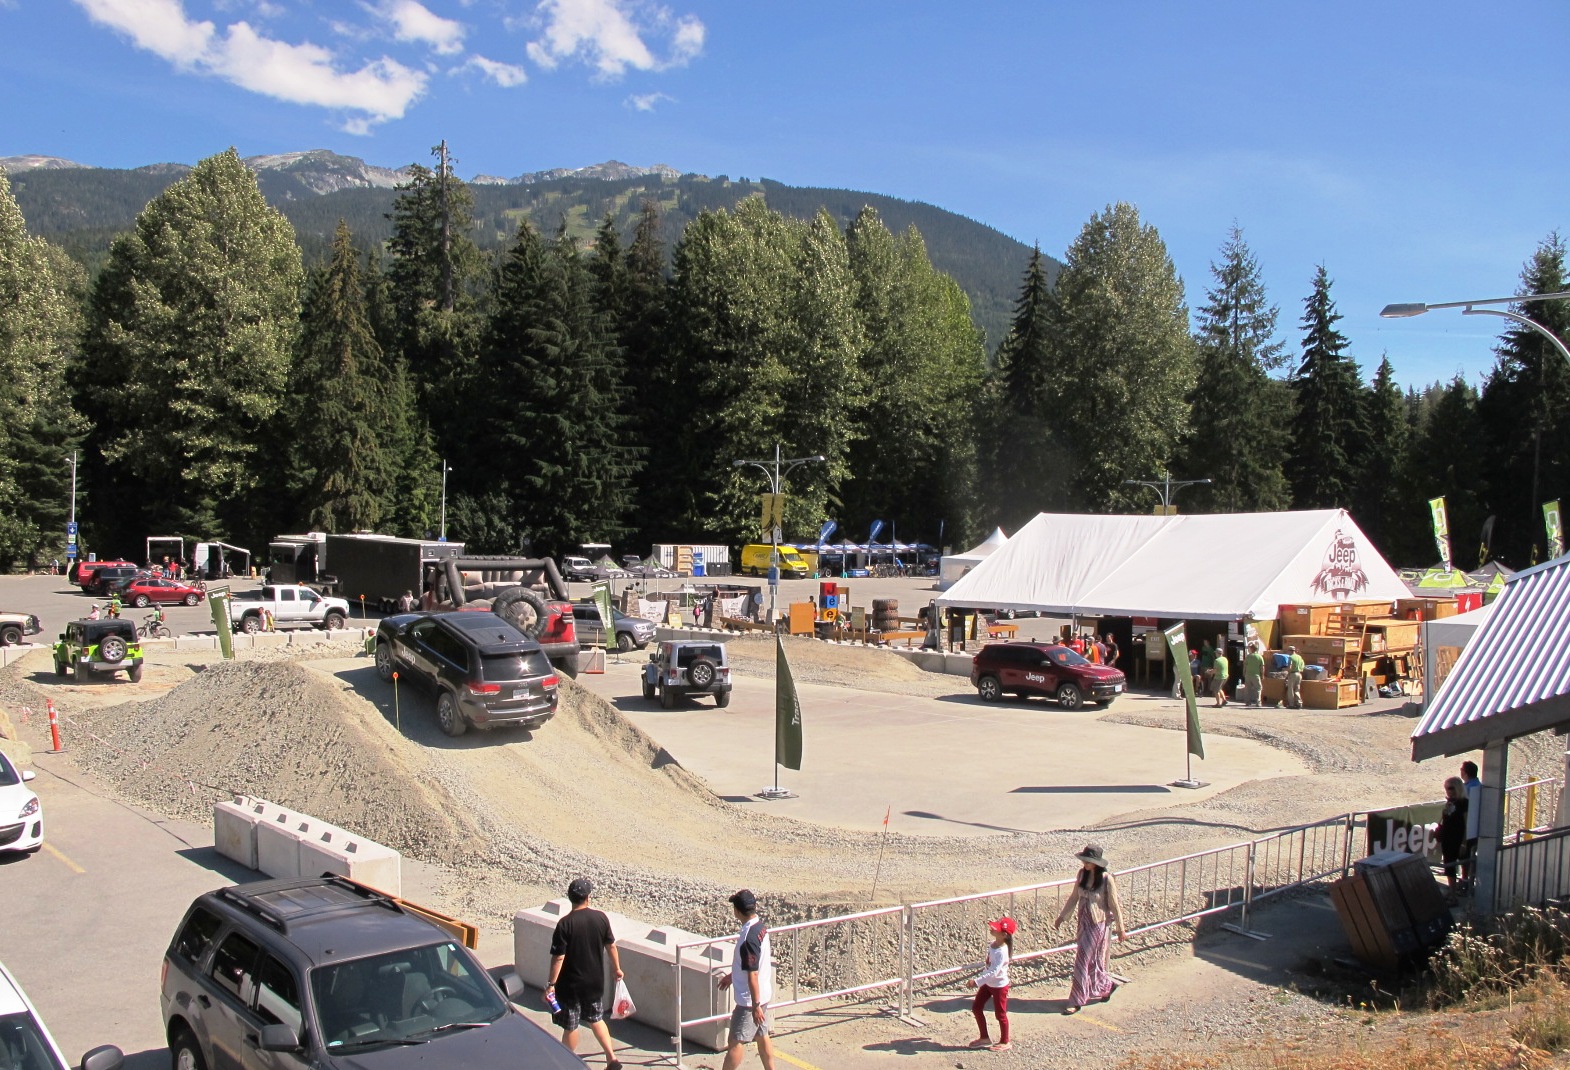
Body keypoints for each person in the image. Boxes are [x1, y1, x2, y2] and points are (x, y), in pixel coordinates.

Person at [545, 877, 623, 1070]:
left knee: (571, 1026)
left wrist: (551, 984)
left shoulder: (564, 924)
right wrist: (617, 968)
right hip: (594, 983)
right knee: (596, 1019)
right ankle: (612, 1059)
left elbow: (558, 957)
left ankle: (566, 1063)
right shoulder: (600, 918)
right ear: (588, 897)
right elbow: (611, 945)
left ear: (570, 897)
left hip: (571, 987)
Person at [1053, 844, 1126, 1014]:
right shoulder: (1081, 875)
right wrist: (1062, 916)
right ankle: (1106, 986)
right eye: (1084, 861)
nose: (1085, 864)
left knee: (1082, 959)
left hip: (1097, 924)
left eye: (1088, 861)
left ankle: (1076, 1000)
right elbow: (1074, 897)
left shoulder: (1106, 879)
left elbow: (1114, 905)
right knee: (1092, 961)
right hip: (1083, 923)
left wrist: (1121, 928)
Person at [717, 889, 775, 1070]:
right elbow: (751, 965)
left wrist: (755, 1006)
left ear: (737, 911)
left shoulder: (747, 938)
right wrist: (733, 976)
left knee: (735, 1041)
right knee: (762, 1035)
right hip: (762, 995)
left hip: (749, 1001)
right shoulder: (760, 928)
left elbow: (752, 974)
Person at [966, 916, 1015, 1052]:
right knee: (977, 1008)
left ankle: (1005, 1041)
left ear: (1004, 935)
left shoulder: (1002, 951)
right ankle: (984, 1037)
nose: (992, 929)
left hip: (999, 986)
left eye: (996, 929)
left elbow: (994, 971)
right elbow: (989, 966)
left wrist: (977, 982)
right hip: (988, 984)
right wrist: (982, 980)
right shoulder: (993, 944)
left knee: (1000, 1014)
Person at [1439, 776, 1470, 901]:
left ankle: (1462, 886)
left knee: (1462, 862)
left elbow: (1467, 823)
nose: (1448, 791)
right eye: (1446, 788)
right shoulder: (1449, 802)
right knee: (1449, 864)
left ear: (1457, 788)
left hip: (1458, 838)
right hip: (1447, 838)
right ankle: (1452, 891)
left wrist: (1464, 842)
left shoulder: (1464, 803)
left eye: (1451, 788)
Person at [1461, 760, 1482, 889]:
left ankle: (1465, 881)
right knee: (1472, 854)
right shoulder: (1480, 786)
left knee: (1465, 855)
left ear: (1465, 773)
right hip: (1478, 827)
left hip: (1467, 828)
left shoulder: (1466, 789)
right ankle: (1470, 880)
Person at [1243, 643, 1265, 708]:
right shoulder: (1260, 657)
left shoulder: (1248, 656)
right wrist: (1262, 675)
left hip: (1248, 675)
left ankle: (1247, 702)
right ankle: (1258, 702)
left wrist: (1244, 673)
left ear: (1252, 649)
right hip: (1256, 675)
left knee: (1248, 689)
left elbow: (1245, 666)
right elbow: (1262, 667)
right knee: (1258, 688)